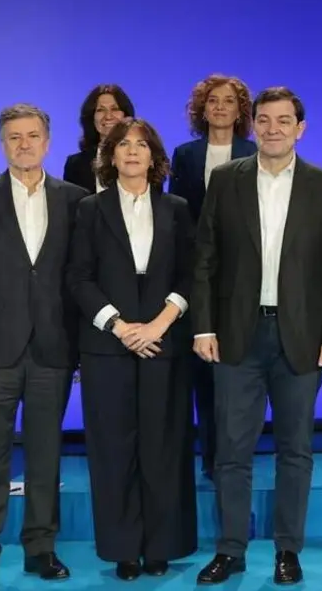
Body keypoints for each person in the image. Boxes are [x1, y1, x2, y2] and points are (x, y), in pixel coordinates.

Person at [191, 87, 322, 586]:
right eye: (264, 120)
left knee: (295, 450)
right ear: (253, 125)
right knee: (231, 451)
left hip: (300, 338)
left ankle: (287, 550)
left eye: (284, 121)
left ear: (300, 129)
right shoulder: (225, 180)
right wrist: (203, 325)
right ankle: (231, 550)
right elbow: (204, 260)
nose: (273, 128)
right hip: (236, 336)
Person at [0, 104, 89, 591]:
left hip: (54, 346)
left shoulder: (75, 199)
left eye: (32, 136)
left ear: (47, 142)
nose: (24, 144)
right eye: (14, 137)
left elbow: (80, 278)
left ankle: (41, 548)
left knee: (46, 455)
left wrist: (81, 348)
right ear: (2, 143)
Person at [67, 117, 198, 580]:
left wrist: (159, 324)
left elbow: (191, 274)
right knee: (113, 449)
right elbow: (78, 278)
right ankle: (123, 549)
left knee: (164, 446)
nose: (132, 152)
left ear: (154, 156)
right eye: (123, 145)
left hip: (164, 343)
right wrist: (120, 328)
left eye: (141, 145)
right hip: (108, 346)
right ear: (111, 155)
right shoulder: (89, 209)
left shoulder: (177, 208)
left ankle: (162, 546)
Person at [168, 73, 258, 478]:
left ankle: (235, 453)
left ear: (241, 111)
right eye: (213, 101)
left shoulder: (254, 151)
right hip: (197, 272)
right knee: (203, 368)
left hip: (243, 275)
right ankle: (209, 454)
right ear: (201, 110)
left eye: (228, 101)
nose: (220, 107)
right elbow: (176, 212)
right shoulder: (186, 155)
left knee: (239, 368)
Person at [62, 83, 136, 193]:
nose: (108, 116)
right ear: (92, 117)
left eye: (115, 109)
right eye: (100, 110)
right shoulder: (75, 164)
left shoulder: (141, 159)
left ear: (126, 115)